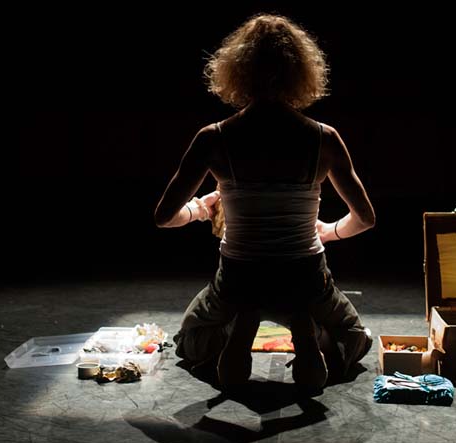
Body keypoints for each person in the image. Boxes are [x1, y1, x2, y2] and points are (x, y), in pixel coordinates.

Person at [154, 14, 375, 390]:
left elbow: (164, 217)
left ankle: (244, 320)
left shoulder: (213, 138)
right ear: (301, 72)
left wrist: (199, 209)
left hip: (240, 275)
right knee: (356, 337)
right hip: (306, 274)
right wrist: (328, 231)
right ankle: (305, 328)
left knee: (188, 341)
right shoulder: (325, 138)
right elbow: (365, 218)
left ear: (235, 71)